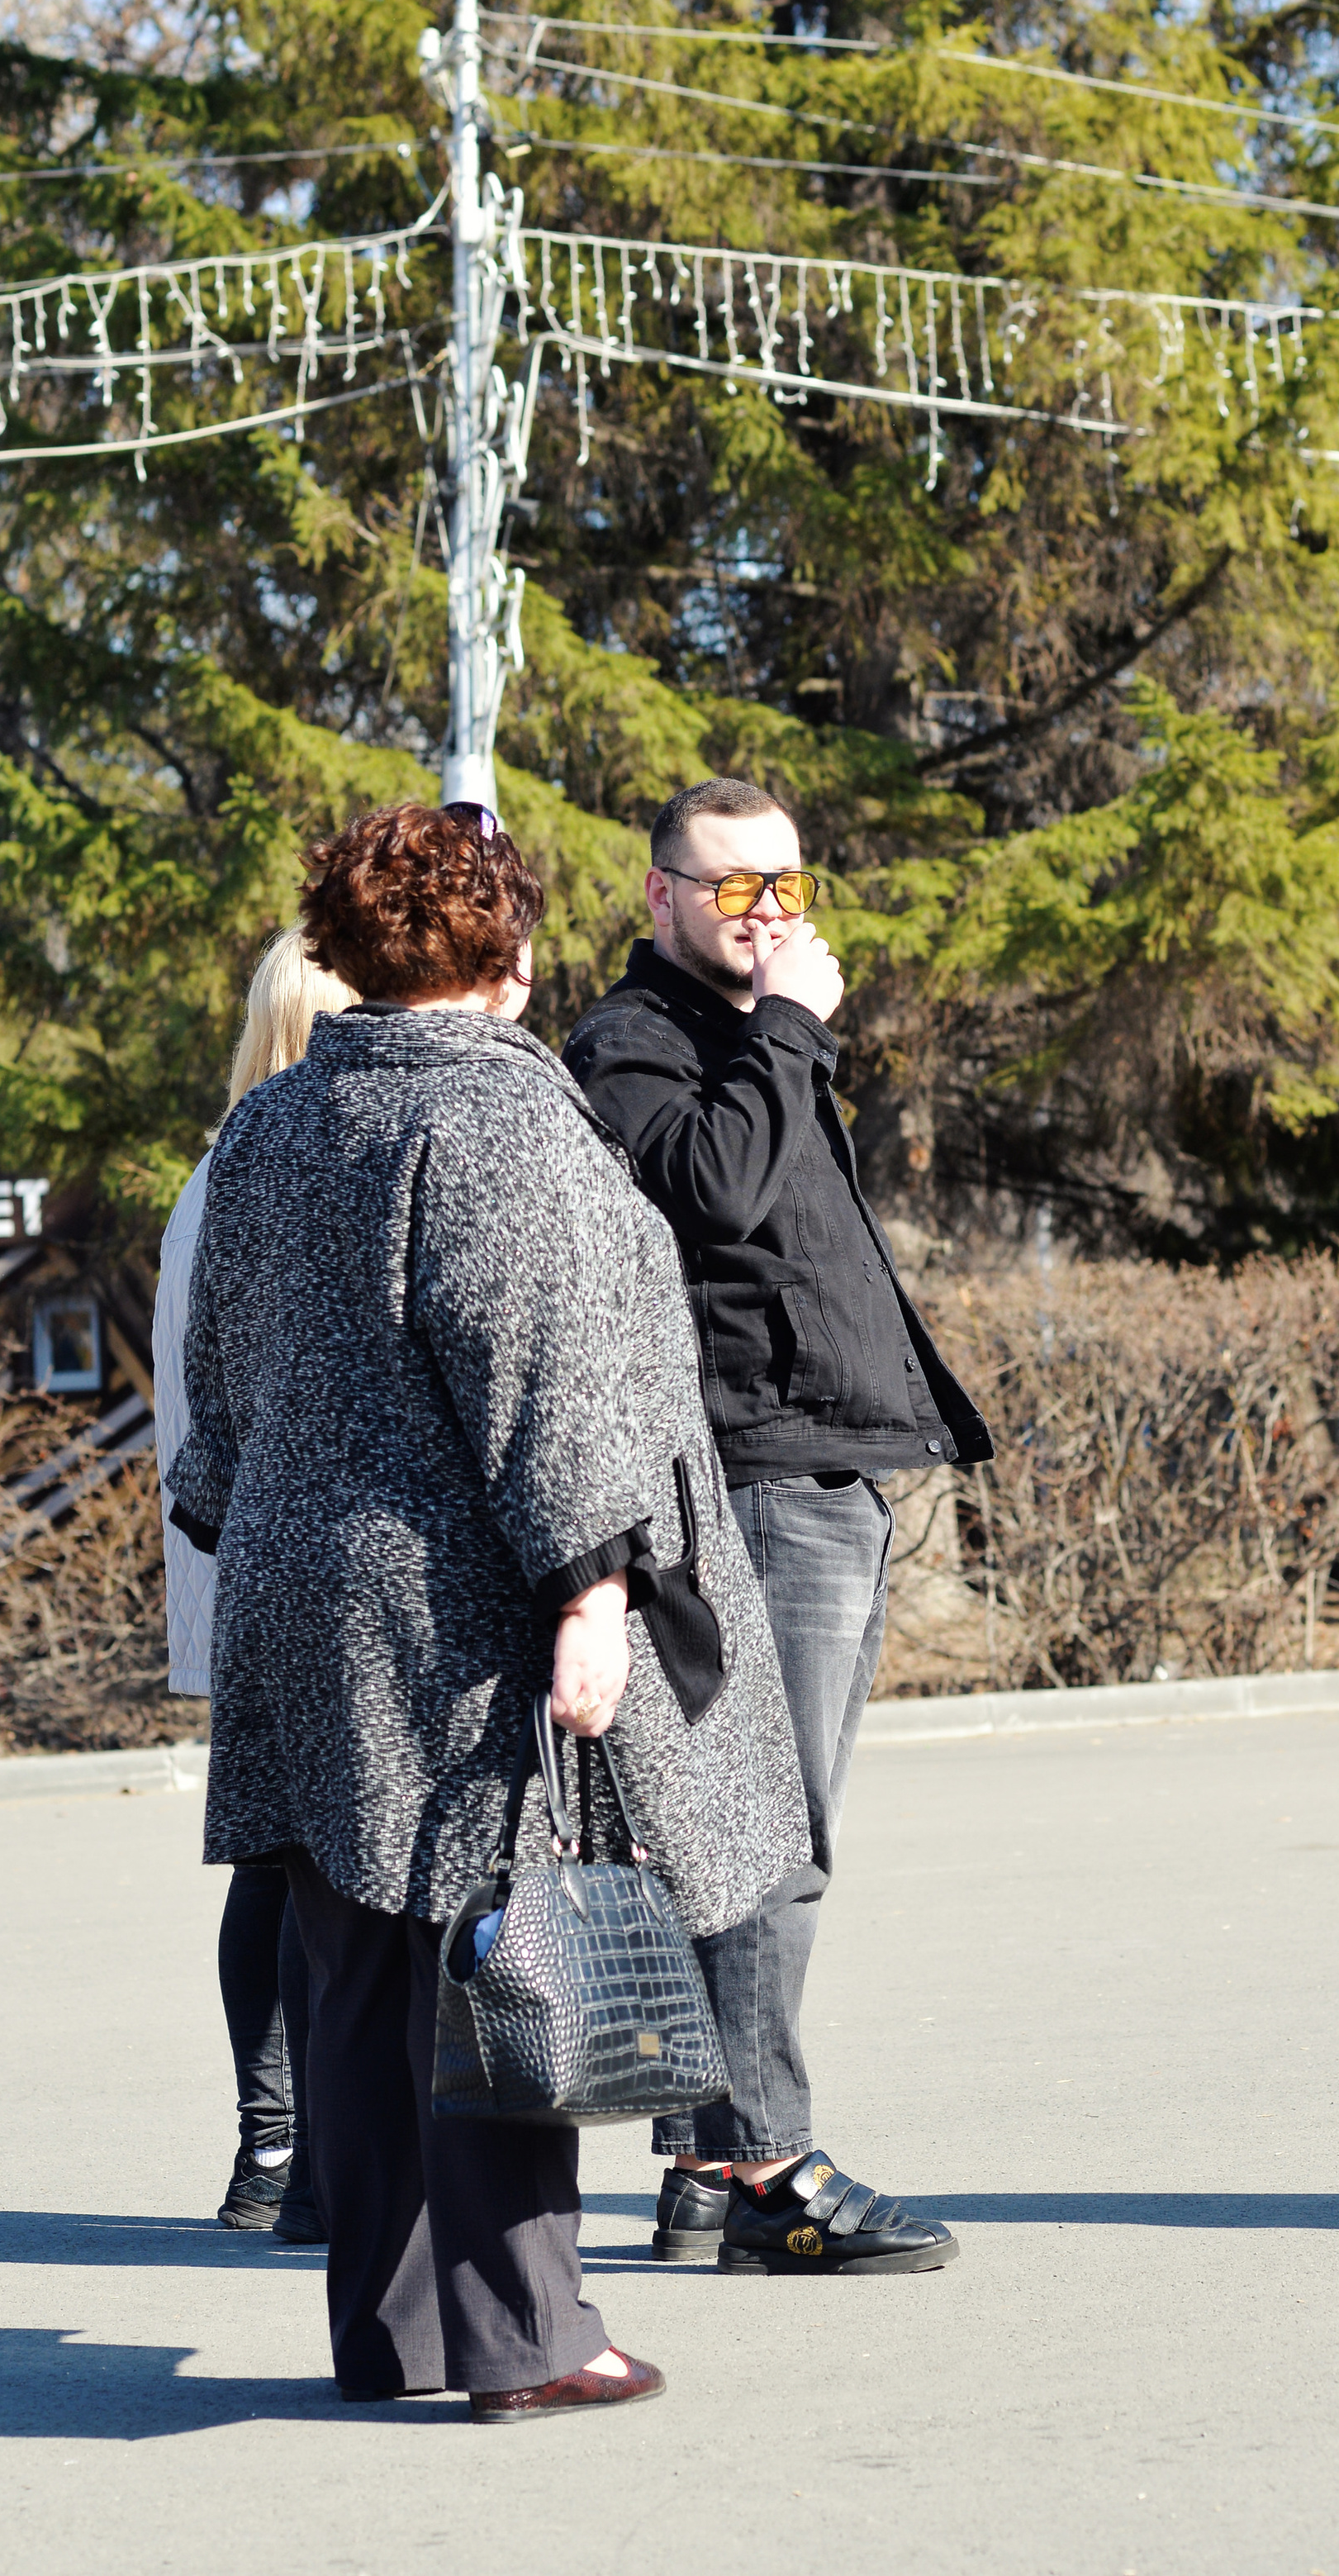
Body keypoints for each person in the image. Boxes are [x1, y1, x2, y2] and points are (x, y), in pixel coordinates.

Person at [169, 799, 809, 2417]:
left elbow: (217, 1384)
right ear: (505, 952)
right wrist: (591, 1587)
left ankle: (392, 2336)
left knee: (362, 1986)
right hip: (458, 1619)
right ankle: (529, 2339)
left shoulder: (269, 1125)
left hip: (298, 1606)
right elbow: (543, 1377)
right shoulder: (499, 1118)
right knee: (495, 1963)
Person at [563, 776, 993, 2279]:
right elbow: (715, 1196)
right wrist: (790, 1029)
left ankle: (702, 2159)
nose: (767, 911)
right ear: (659, 896)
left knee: (750, 1827)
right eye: (735, 885)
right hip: (747, 1479)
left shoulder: (749, 1039)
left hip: (821, 1469)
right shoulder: (630, 1044)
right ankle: (766, 2170)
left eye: (788, 884)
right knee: (768, 1839)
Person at [155, 927, 355, 2241]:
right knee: (306, 1860)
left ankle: (271, 2143)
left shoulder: (216, 1173)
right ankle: (298, 2144)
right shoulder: (290, 1169)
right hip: (295, 1550)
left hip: (229, 1545)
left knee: (274, 1856)